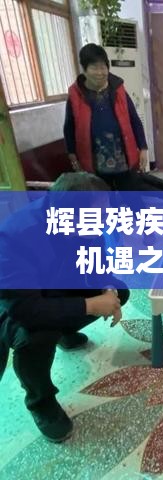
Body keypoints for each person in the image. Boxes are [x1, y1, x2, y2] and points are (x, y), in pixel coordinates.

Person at [0, 172, 130, 442]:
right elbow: (26, 309)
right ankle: (41, 402)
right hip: (18, 306)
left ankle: (65, 332)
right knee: (36, 335)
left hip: (56, 286)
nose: (103, 224)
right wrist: (90, 304)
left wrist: (107, 288)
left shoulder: (87, 219)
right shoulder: (16, 236)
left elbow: (96, 261)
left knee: (121, 292)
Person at [64, 43, 149, 190]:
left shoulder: (118, 89)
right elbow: (69, 127)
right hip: (95, 162)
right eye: (94, 68)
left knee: (132, 197)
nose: (100, 72)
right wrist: (72, 154)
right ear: (84, 70)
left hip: (123, 158)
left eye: (103, 67)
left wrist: (143, 147)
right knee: (103, 198)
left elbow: (134, 119)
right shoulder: (75, 96)